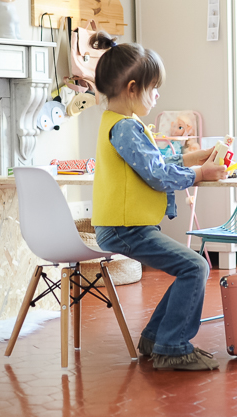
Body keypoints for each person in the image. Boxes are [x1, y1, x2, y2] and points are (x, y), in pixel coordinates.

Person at [90, 31, 227, 371]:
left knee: (189, 268)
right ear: (133, 88)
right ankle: (172, 346)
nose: (157, 95)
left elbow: (158, 166)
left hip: (125, 226)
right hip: (124, 228)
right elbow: (158, 175)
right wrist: (199, 175)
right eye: (153, 89)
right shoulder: (125, 128)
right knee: (195, 266)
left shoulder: (125, 124)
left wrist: (198, 158)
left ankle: (156, 339)